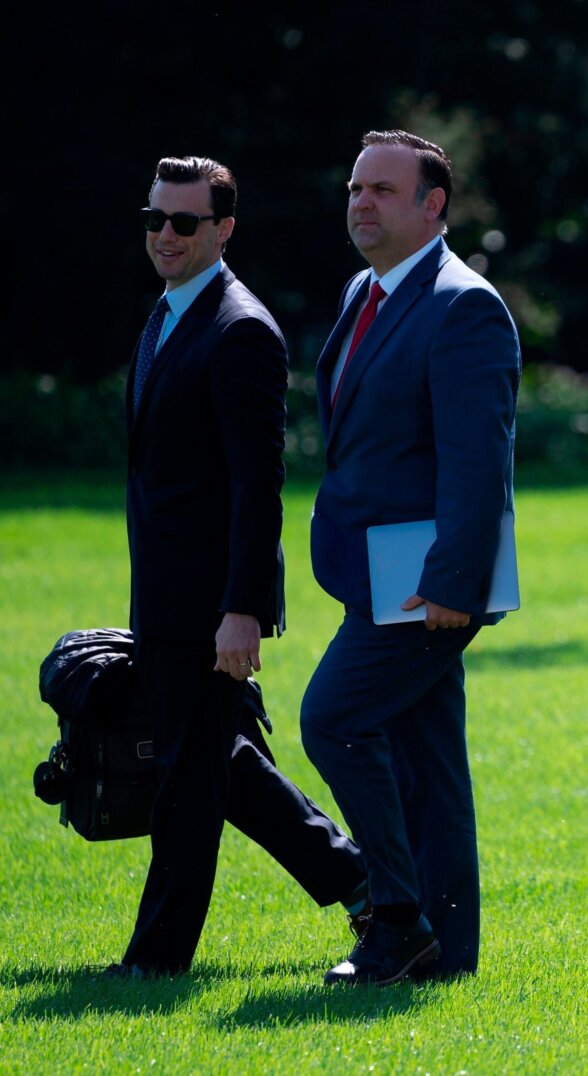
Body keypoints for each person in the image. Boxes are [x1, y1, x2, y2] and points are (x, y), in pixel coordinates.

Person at [111, 156, 368, 977]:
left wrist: (242, 608)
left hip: (210, 603)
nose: (165, 236)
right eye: (154, 219)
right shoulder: (168, 314)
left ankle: (156, 960)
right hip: (165, 593)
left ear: (223, 229)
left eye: (184, 223)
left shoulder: (240, 327)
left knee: (188, 778)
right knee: (220, 759)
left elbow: (260, 485)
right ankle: (364, 883)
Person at [300, 131, 521, 986]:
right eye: (356, 188)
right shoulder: (367, 289)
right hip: (376, 569)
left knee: (333, 718)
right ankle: (442, 952)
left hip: (430, 579)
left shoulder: (465, 304)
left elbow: (479, 463)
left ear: (433, 206)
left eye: (384, 191)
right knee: (428, 762)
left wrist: (454, 586)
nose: (362, 202)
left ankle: (393, 915)